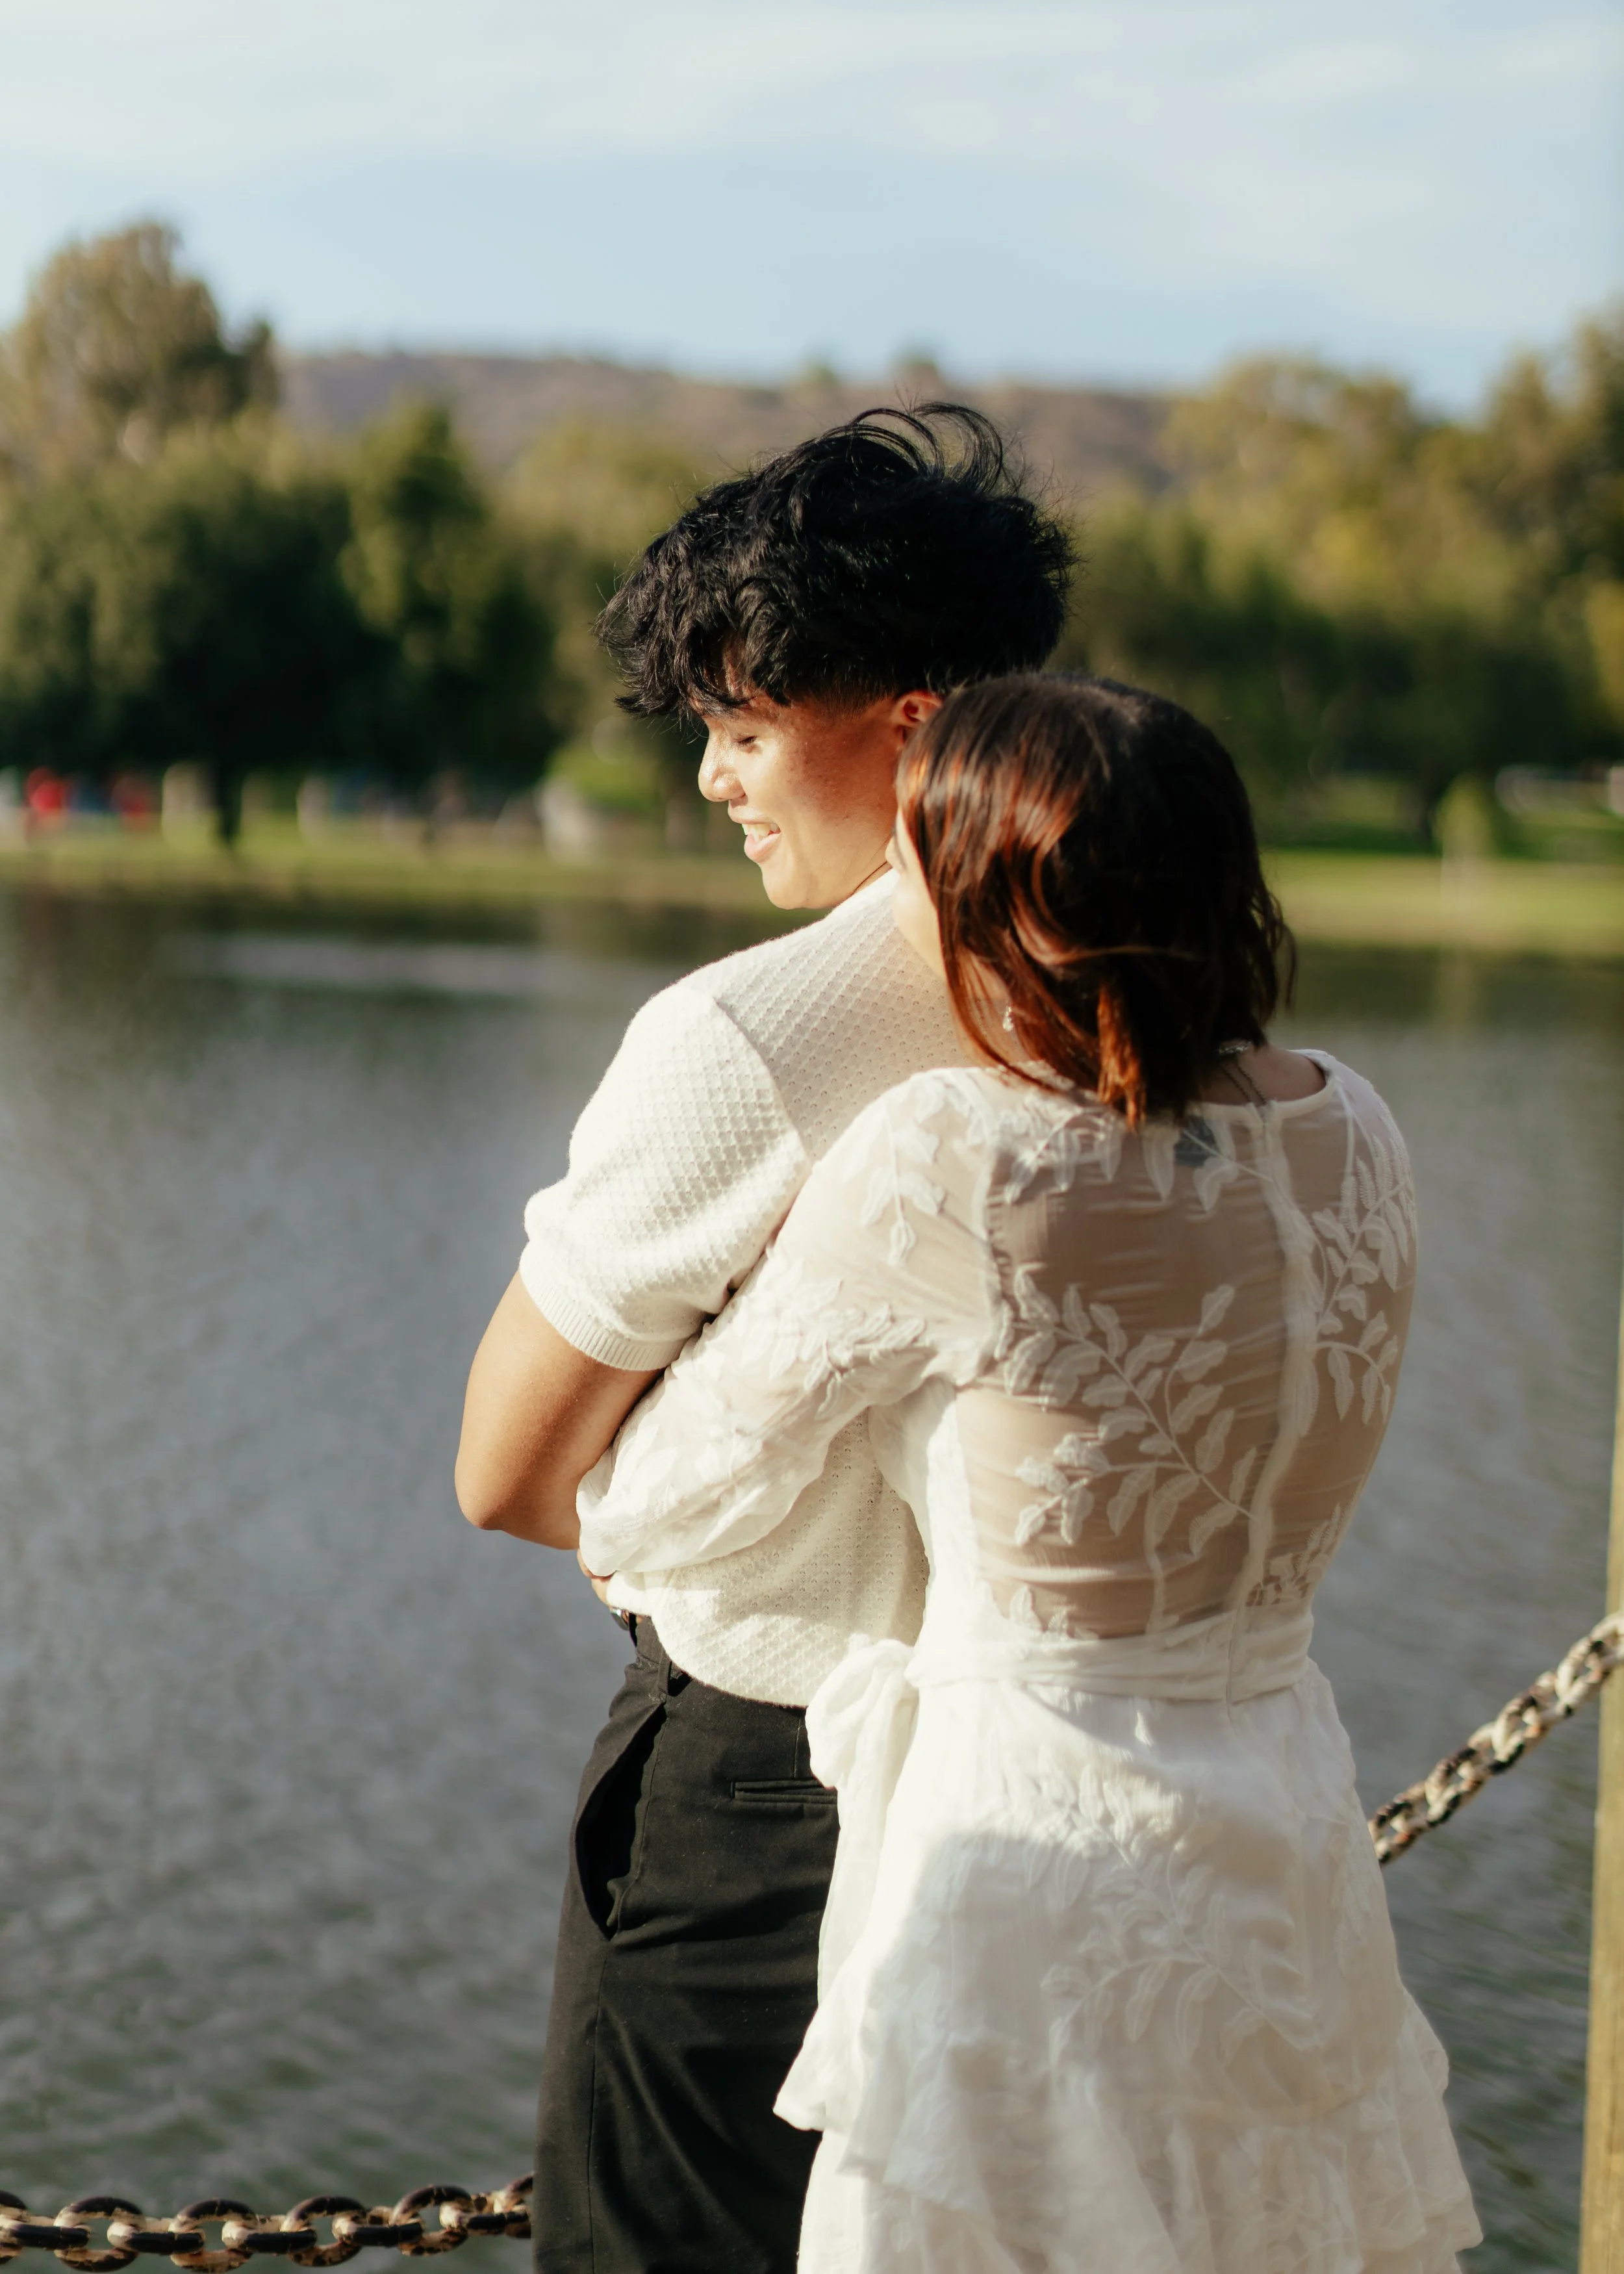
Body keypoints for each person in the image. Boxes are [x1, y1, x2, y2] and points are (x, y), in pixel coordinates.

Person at [575, 674, 1482, 2274]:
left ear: (990, 907)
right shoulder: (1356, 1126)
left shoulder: (957, 1153)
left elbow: (658, 1501)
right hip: (1287, 1846)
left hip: (1027, 1877)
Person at [454, 406, 1075, 2274]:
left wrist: (698, 1537)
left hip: (760, 1794)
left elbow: (502, 1469)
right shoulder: (1136, 1004)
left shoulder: (747, 1038)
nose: (714, 775)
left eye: (741, 724)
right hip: (1035, 1778)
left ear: (909, 721)